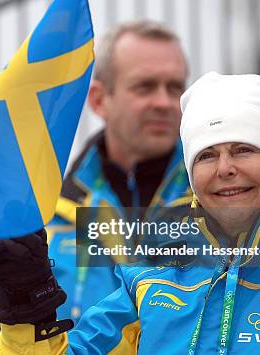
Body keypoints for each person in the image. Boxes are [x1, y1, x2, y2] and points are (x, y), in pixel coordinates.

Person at [0, 72, 260, 354]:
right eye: (206, 155)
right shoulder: (149, 277)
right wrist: (27, 312)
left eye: (244, 149)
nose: (224, 168)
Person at [48, 20, 192, 321]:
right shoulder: (45, 220)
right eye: (145, 86)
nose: (164, 102)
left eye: (175, 87)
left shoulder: (221, 206)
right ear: (100, 100)